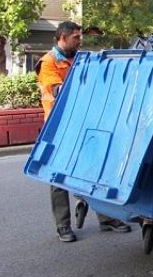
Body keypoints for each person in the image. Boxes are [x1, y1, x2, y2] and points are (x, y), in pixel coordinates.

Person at [36, 21, 131, 242]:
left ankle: (106, 218)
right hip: (59, 127)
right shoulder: (48, 62)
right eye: (76, 37)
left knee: (94, 170)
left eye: (80, 37)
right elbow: (56, 89)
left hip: (83, 123)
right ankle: (63, 226)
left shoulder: (80, 58)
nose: (80, 41)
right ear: (62, 37)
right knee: (58, 177)